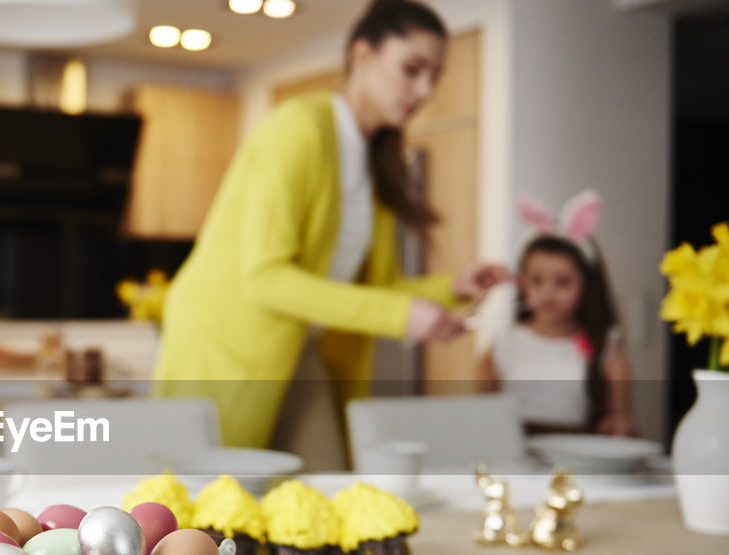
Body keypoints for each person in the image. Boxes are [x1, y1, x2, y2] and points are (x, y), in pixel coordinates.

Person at [151, 0, 509, 450]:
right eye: (412, 69)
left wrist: (452, 288)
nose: (425, 89)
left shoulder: (373, 159)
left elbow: (375, 287)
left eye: (435, 76)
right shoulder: (297, 128)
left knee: (329, 487)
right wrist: (402, 317)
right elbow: (265, 277)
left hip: (297, 345)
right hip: (226, 346)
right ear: (362, 56)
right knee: (211, 504)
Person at [477, 190, 637, 436]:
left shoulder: (606, 349)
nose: (547, 293)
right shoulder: (501, 344)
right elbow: (481, 418)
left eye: (563, 282)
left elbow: (623, 423)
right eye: (536, 280)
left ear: (587, 285)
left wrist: (618, 427)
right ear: (522, 282)